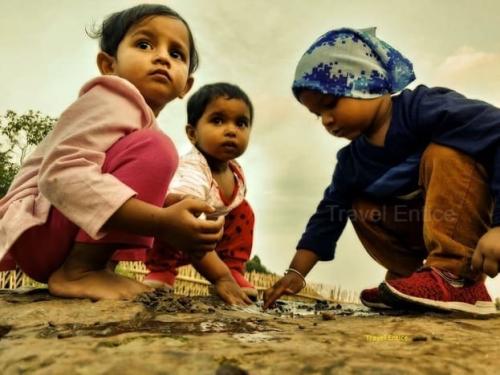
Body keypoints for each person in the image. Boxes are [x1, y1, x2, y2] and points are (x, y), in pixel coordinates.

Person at [263, 27, 500, 315]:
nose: (326, 120)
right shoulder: (352, 161)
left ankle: (458, 278)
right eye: (317, 115)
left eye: (330, 104)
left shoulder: (423, 108)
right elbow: (327, 215)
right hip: (419, 228)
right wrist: (296, 273)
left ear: (367, 83)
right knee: (355, 203)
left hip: (465, 224)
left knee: (445, 152)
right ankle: (410, 279)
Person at [0, 4, 227, 301]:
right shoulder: (111, 98)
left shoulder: (137, 124)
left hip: (47, 237)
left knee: (156, 151)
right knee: (157, 150)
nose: (161, 57)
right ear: (109, 66)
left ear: (186, 85)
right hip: (37, 228)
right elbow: (59, 175)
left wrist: (166, 205)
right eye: (144, 44)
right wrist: (161, 221)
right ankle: (80, 271)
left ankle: (94, 267)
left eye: (176, 53)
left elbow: (105, 179)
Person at [112, 83, 256, 304]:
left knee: (244, 211)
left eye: (241, 123)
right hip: (178, 233)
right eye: (217, 120)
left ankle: (234, 267)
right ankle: (162, 270)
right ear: (192, 134)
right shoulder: (192, 170)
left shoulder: (236, 172)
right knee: (169, 209)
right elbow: (189, 224)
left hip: (210, 236)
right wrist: (220, 277)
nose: (231, 130)